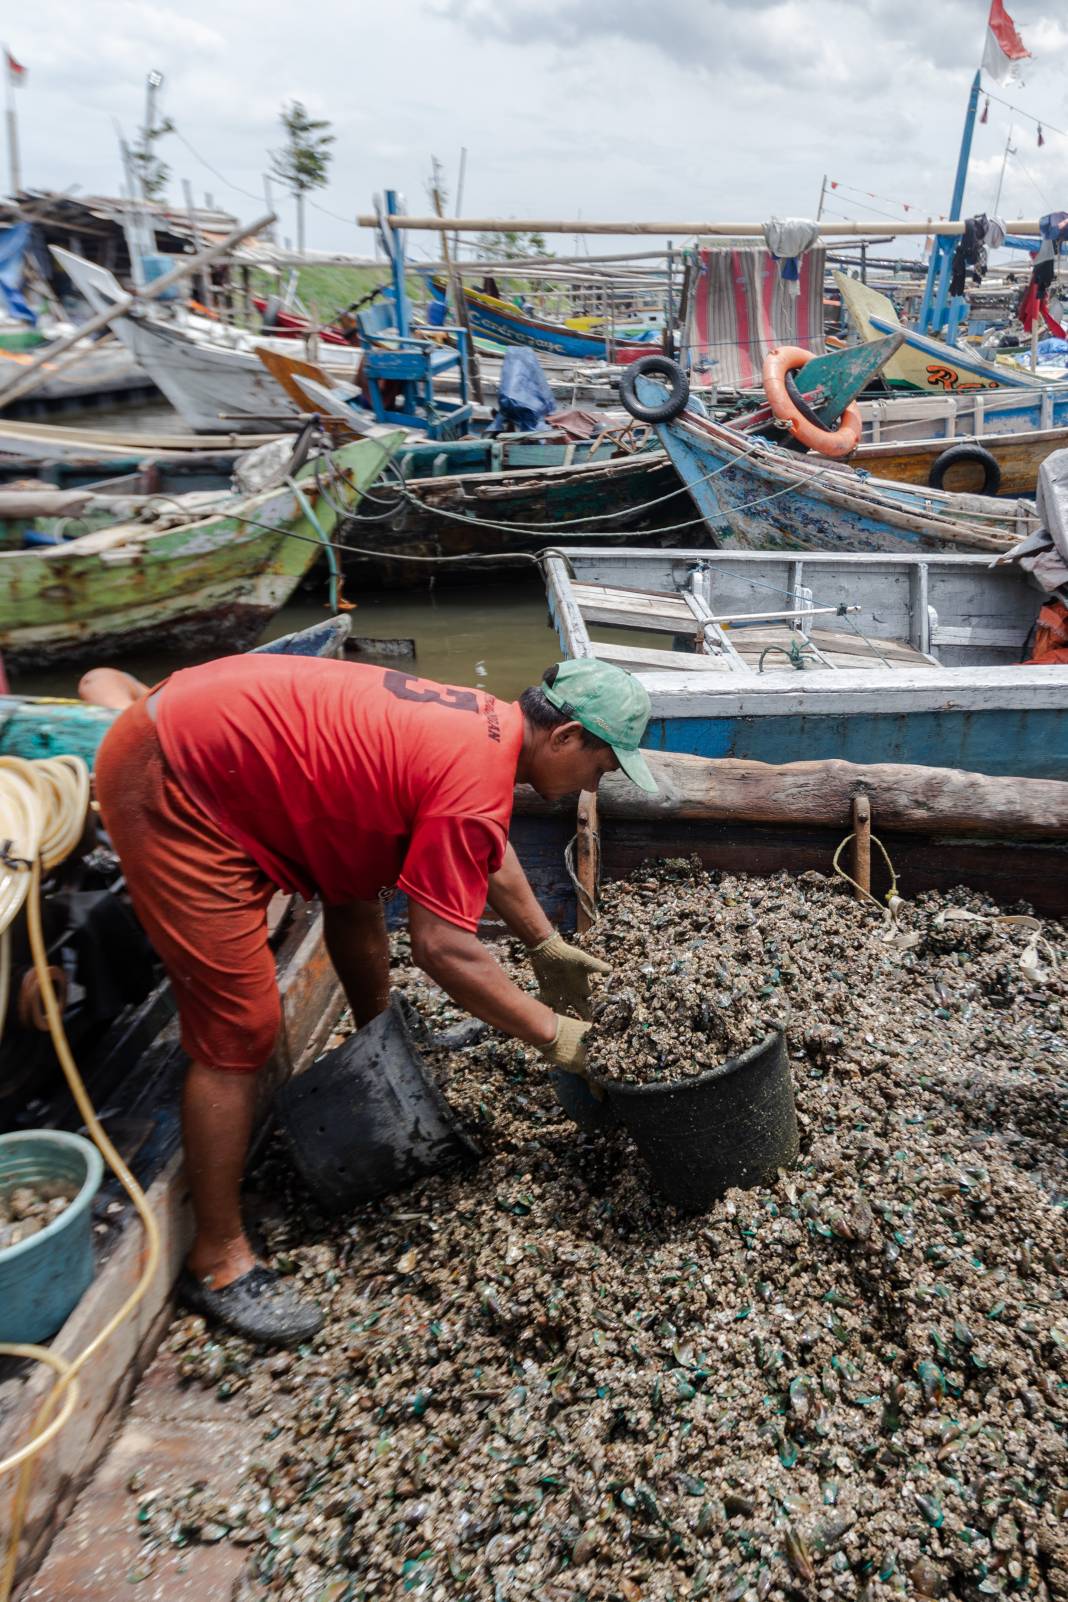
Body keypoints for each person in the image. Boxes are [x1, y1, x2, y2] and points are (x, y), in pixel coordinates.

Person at [94, 653, 657, 1345]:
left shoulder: (489, 730)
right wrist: (558, 1037)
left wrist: (544, 943)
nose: (590, 786)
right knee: (243, 1027)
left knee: (356, 885)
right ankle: (217, 1259)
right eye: (600, 769)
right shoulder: (473, 774)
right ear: (566, 737)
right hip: (175, 778)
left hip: (214, 734)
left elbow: (486, 843)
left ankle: (380, 1049)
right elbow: (442, 949)